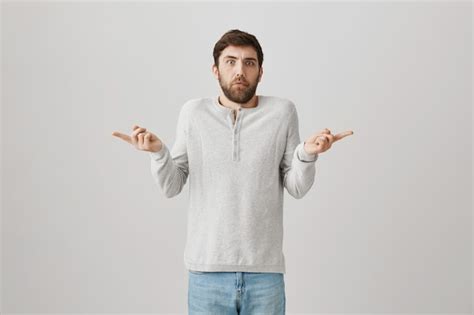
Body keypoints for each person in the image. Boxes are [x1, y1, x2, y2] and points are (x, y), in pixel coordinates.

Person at [112, 29, 353, 315]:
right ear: (216, 70)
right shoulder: (193, 113)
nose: (240, 71)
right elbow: (171, 185)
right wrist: (158, 153)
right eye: (231, 62)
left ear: (260, 72)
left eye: (249, 63)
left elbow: (297, 186)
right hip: (207, 273)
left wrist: (306, 155)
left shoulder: (283, 112)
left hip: (265, 272)